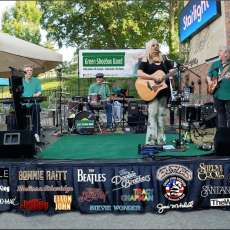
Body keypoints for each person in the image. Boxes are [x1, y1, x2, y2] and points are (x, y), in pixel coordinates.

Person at [137, 39, 175, 145]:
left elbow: (171, 71)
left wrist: (172, 72)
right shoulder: (146, 59)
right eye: (153, 45)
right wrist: (152, 76)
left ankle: (161, 140)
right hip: (151, 91)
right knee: (152, 114)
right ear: (149, 47)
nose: (155, 47)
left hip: (164, 91)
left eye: (157, 45)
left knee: (161, 115)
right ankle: (151, 140)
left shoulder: (164, 58)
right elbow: (139, 73)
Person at [207, 46, 230, 128]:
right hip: (217, 94)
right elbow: (208, 76)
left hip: (228, 95)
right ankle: (222, 135)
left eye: (220, 51)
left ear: (226, 54)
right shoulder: (215, 64)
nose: (218, 53)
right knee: (220, 115)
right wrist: (210, 82)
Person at [22, 65, 42, 142]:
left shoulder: (36, 80)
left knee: (36, 107)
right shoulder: (20, 81)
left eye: (30, 70)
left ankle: (36, 133)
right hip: (23, 105)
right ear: (24, 72)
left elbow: (39, 91)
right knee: (16, 109)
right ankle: (23, 133)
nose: (29, 72)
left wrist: (37, 94)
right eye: (27, 70)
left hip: (32, 104)